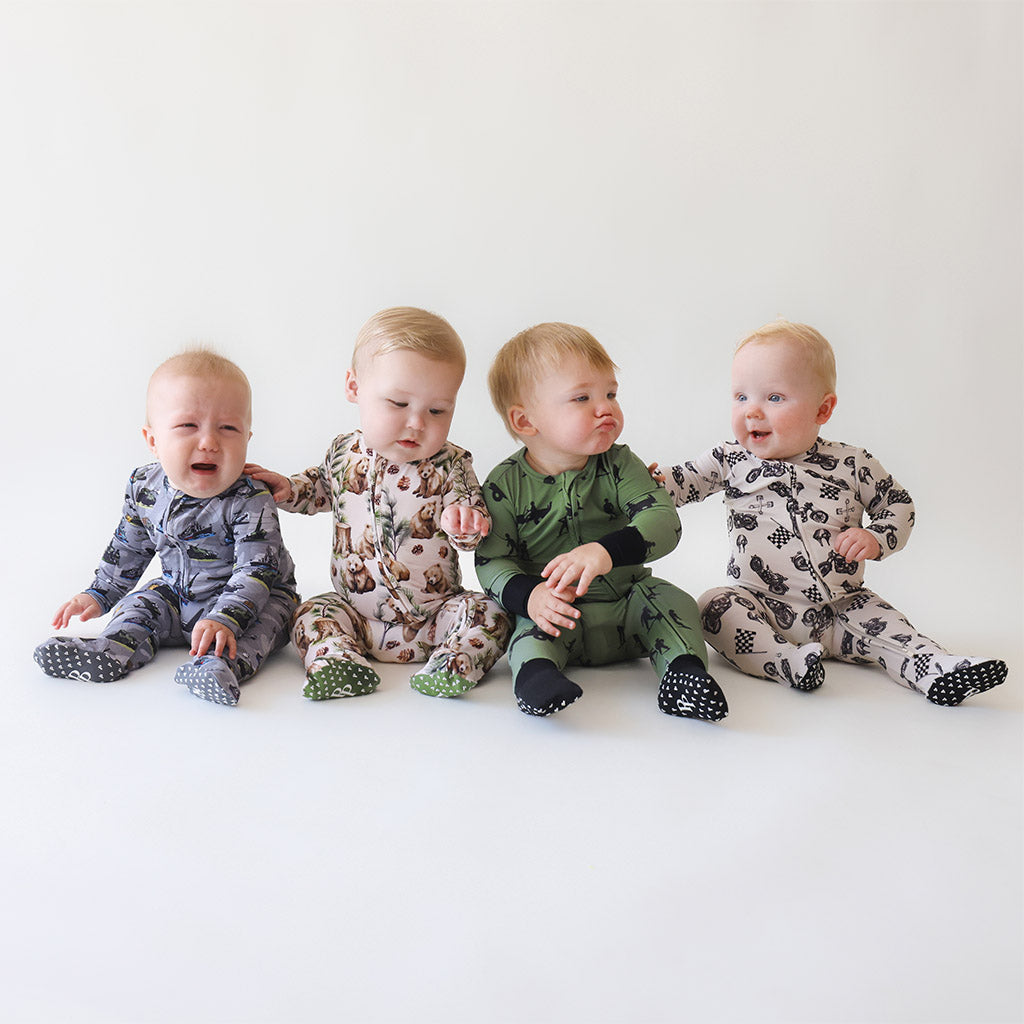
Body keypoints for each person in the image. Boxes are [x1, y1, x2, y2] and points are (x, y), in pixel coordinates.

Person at [651, 318, 1007, 705]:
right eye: (740, 397)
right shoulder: (729, 458)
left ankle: (934, 668)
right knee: (713, 606)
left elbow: (897, 504)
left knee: (890, 628)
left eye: (773, 398)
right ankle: (786, 662)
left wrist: (876, 536)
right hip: (760, 603)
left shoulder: (851, 464)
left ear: (823, 409)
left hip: (842, 606)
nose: (752, 411)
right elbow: (680, 483)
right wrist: (649, 482)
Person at [246, 307, 510, 700]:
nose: (417, 423)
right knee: (309, 613)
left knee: (491, 614)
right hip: (357, 617)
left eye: (437, 410)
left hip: (434, 619)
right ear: (354, 387)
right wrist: (287, 488)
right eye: (398, 404)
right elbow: (320, 488)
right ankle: (339, 661)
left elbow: (470, 520)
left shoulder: (452, 463)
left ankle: (454, 663)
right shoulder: (343, 451)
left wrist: (467, 523)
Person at [474, 322, 727, 720]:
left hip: (628, 604)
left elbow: (663, 519)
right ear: (526, 422)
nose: (605, 407)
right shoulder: (505, 485)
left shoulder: (620, 465)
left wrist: (605, 551)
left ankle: (682, 672)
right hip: (558, 610)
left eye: (610, 393)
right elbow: (491, 561)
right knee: (526, 632)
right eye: (581, 398)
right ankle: (537, 679)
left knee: (673, 603)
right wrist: (532, 597)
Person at [34, 350, 299, 706]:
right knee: (142, 602)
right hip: (179, 593)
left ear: (247, 438)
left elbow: (257, 570)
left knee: (266, 625)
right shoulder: (144, 486)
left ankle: (218, 665)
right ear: (153, 440)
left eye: (229, 428)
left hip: (254, 600)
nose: (209, 442)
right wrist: (98, 593)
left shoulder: (251, 497)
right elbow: (128, 547)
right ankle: (113, 649)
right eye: (189, 426)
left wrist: (225, 618)